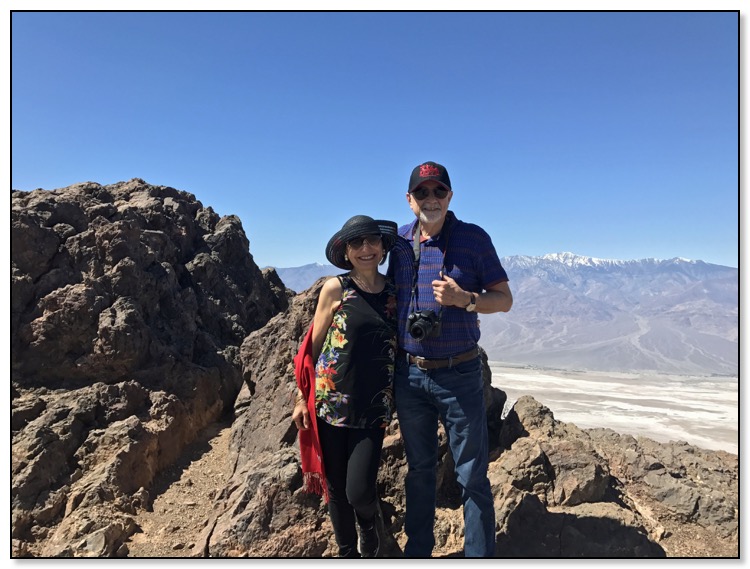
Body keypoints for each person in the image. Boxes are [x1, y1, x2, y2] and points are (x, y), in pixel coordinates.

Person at [387, 161, 513, 558]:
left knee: (471, 476)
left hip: (459, 373)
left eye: (438, 191)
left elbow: (504, 300)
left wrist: (467, 300)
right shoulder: (399, 243)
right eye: (422, 193)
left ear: (450, 197)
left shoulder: (474, 240)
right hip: (410, 377)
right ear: (409, 201)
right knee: (420, 471)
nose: (431, 199)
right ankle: (418, 554)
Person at [292, 215, 399, 558]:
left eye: (371, 241)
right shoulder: (336, 288)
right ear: (347, 253)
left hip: (372, 407)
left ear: (383, 247)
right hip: (329, 404)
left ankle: (368, 524)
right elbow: (312, 346)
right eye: (356, 244)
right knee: (335, 488)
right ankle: (347, 553)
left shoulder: (396, 294)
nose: (365, 249)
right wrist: (300, 396)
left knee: (358, 491)